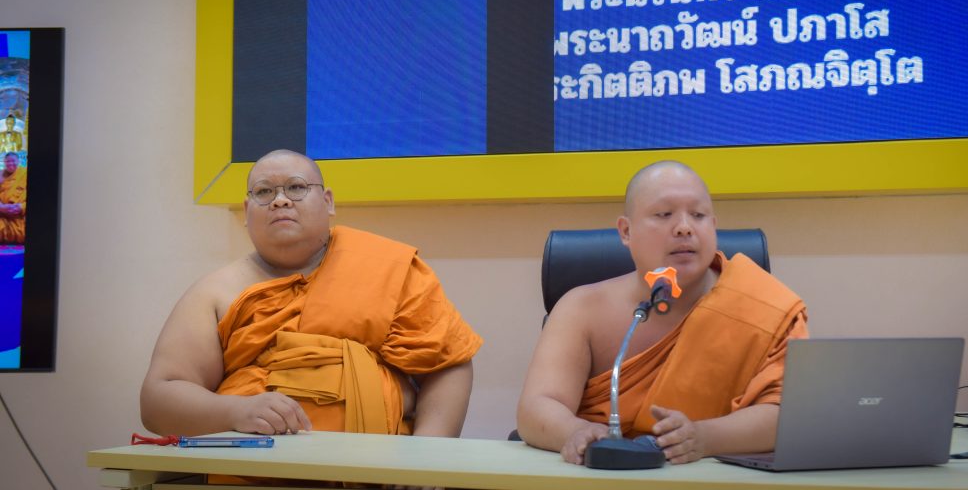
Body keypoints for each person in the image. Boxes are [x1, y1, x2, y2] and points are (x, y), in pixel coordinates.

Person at [141, 149, 483, 442]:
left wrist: (425, 455)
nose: (280, 200)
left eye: (296, 187)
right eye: (264, 192)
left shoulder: (389, 268)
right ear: (246, 211)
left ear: (328, 201)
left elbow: (447, 365)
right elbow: (159, 399)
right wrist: (235, 411)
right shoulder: (215, 293)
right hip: (252, 473)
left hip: (381, 471)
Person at [516, 160, 808, 465]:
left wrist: (704, 437)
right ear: (626, 231)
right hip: (604, 475)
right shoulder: (582, 308)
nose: (684, 227)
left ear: (713, 226)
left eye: (698, 215)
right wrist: (576, 433)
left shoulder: (764, 306)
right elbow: (538, 406)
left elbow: (786, 413)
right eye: (664, 214)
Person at [0, 152, 26, 244]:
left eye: (13, 161)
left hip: (20, 216)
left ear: (18, 161)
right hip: (2, 216)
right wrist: (1, 207)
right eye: (8, 161)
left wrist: (21, 207)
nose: (10, 163)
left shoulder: (25, 173)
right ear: (4, 162)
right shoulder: (1, 175)